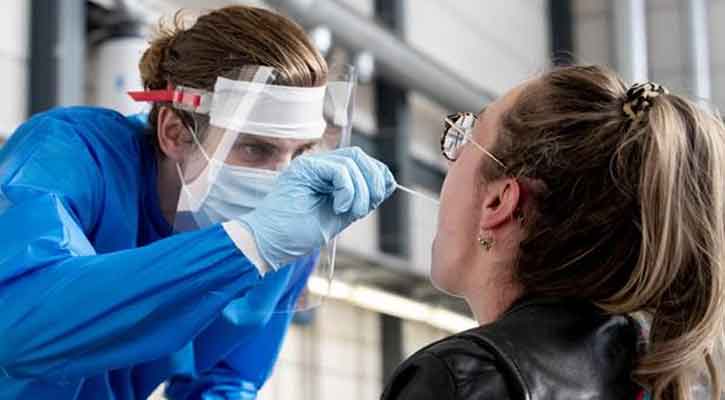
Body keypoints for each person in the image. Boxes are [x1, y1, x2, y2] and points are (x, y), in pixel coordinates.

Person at [0, 6, 395, 400]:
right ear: (174, 132)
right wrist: (245, 245)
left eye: (300, 152)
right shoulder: (69, 154)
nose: (283, 180)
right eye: (255, 148)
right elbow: (18, 328)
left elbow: (225, 381)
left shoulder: (283, 237)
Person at [381, 65, 725, 400]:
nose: (448, 164)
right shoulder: (658, 370)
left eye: (466, 138)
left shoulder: (461, 380)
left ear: (498, 202)